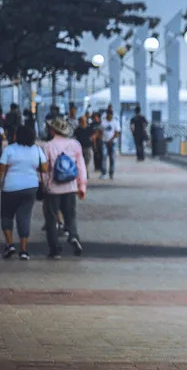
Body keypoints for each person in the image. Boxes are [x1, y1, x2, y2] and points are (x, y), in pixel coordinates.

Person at [41, 116, 88, 258]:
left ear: (52, 131)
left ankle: (55, 251)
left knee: (51, 219)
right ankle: (73, 236)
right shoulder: (75, 144)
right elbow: (81, 167)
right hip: (71, 187)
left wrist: (45, 185)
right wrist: (82, 186)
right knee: (70, 216)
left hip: (53, 188)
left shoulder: (48, 146)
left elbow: (45, 169)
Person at [0, 124, 48, 260]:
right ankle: (24, 251)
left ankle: (10, 244)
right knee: (24, 217)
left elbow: (1, 170)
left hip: (10, 188)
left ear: (17, 136)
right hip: (30, 187)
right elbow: (44, 168)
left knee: (7, 216)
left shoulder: (9, 149)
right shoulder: (37, 150)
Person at [99, 108, 120, 178]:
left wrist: (111, 140)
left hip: (112, 142)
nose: (109, 116)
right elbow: (101, 132)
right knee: (104, 156)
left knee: (112, 158)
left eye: (110, 114)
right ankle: (104, 173)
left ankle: (111, 173)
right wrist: (102, 139)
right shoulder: (103, 122)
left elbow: (117, 133)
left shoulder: (115, 122)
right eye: (108, 114)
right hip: (104, 142)